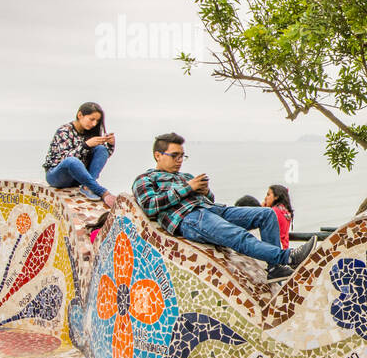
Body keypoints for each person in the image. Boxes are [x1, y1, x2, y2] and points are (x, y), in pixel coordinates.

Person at [132, 133, 314, 280]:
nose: (180, 160)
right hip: (189, 218)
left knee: (266, 214)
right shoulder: (145, 179)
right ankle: (287, 257)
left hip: (213, 209)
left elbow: (209, 200)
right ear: (158, 155)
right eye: (175, 156)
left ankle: (275, 269)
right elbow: (150, 205)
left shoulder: (185, 175)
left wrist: (204, 192)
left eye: (182, 156)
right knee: (237, 235)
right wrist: (188, 188)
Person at [43, 102, 118, 207]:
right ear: (80, 115)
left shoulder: (91, 131)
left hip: (78, 178)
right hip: (57, 176)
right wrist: (86, 145)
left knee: (101, 149)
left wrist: (110, 145)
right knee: (72, 161)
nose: (94, 124)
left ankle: (87, 187)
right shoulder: (64, 131)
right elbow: (65, 160)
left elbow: (102, 157)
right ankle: (102, 192)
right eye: (91, 119)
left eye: (97, 121)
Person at [262, 184, 294, 250]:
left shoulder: (273, 212)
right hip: (284, 248)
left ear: (276, 197)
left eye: (268, 195)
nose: (265, 198)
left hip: (275, 248)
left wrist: (262, 209)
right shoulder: (285, 211)